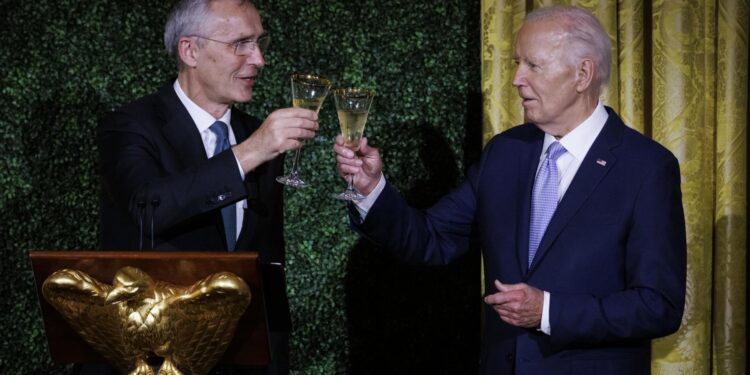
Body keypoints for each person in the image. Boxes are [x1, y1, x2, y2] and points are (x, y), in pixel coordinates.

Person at [334, 5, 686, 374]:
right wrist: (371, 188)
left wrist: (549, 312)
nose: (517, 79)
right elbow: (431, 238)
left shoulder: (646, 167)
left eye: (533, 65)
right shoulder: (505, 153)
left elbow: (657, 306)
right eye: (518, 63)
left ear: (583, 74)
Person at [97, 0, 315, 373]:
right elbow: (150, 207)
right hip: (153, 358)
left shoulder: (255, 133)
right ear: (190, 50)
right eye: (240, 44)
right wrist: (249, 152)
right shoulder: (130, 125)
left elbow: (264, 255)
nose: (259, 59)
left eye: (259, 43)